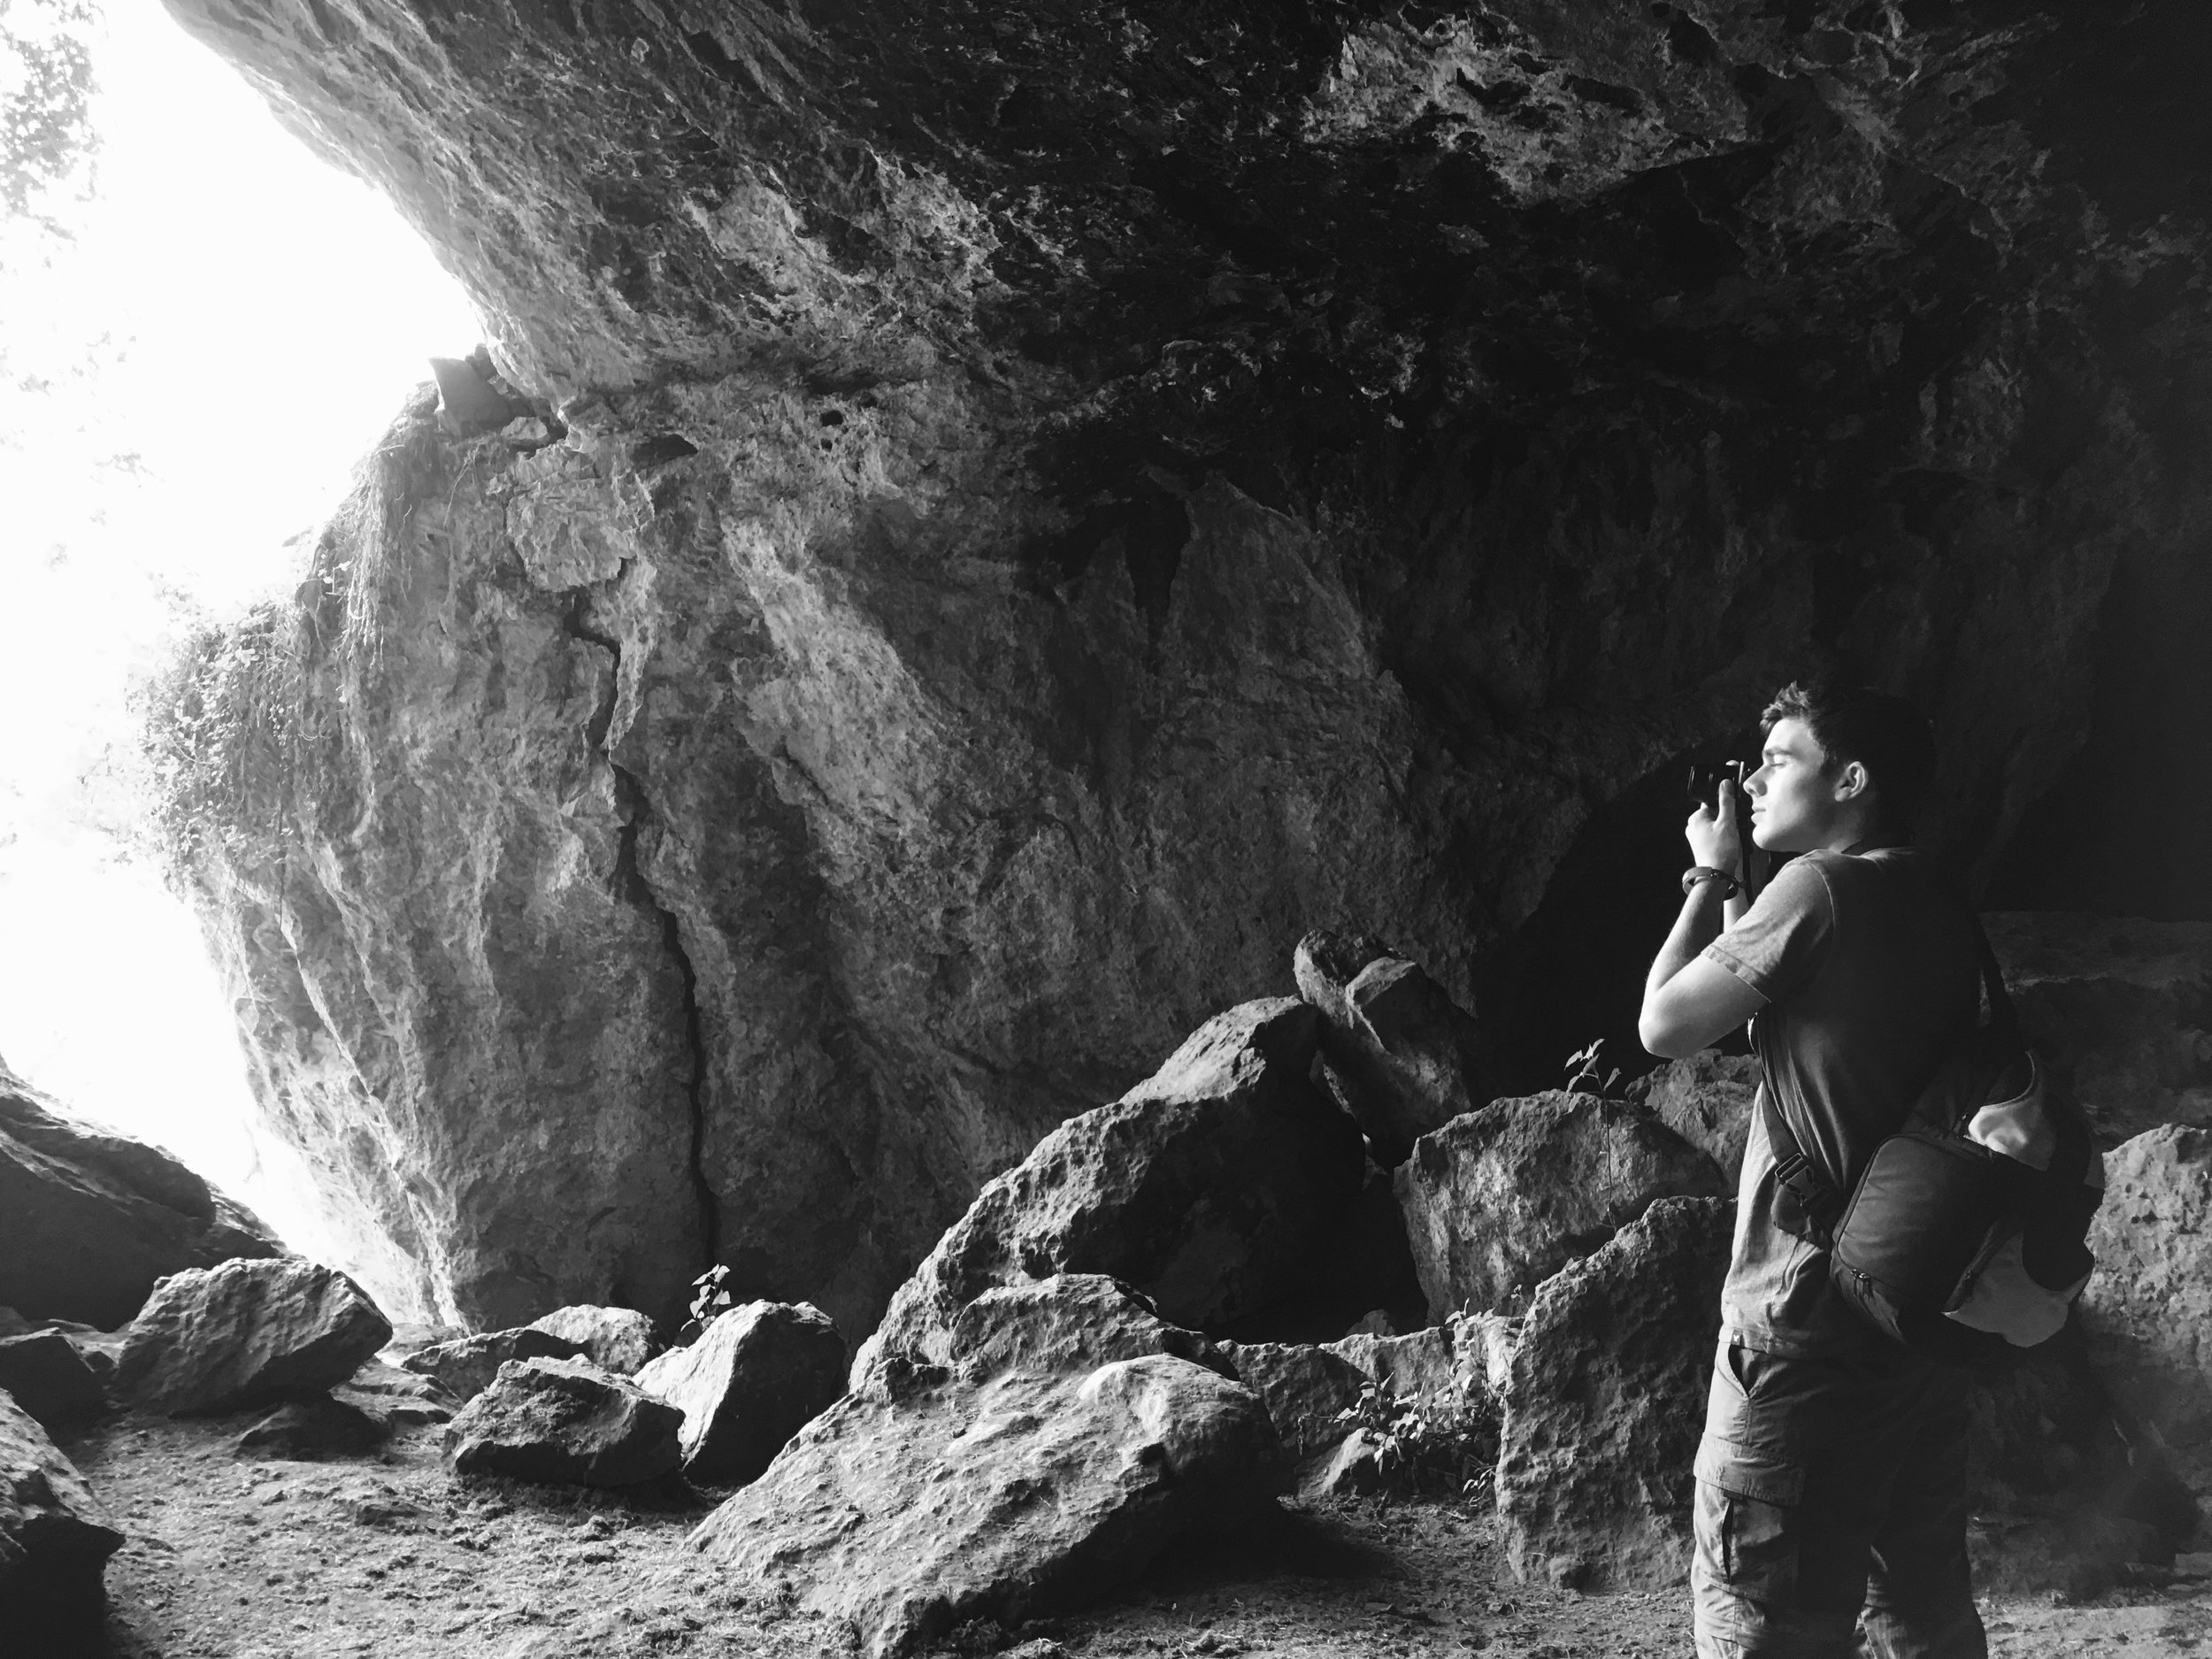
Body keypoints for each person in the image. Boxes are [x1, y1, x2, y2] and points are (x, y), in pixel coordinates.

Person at [1639, 680, 1989, 1659]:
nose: (1752, 781)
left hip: (1796, 1327)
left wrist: (1707, 882)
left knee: (1765, 1617)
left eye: (1779, 760)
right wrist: (1750, 883)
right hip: (1912, 1314)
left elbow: (1663, 1024)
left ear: (1852, 778)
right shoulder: (1932, 893)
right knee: (1922, 1612)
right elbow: (1784, 1027)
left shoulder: (1820, 890)